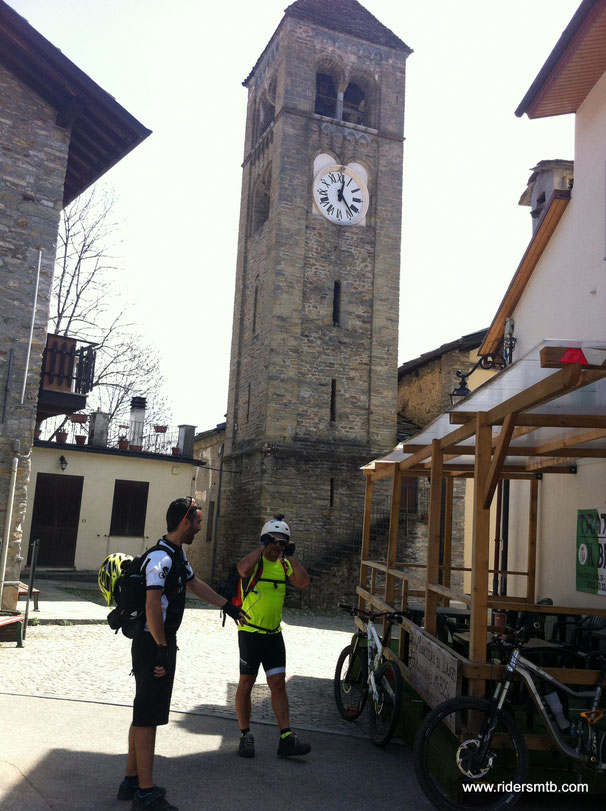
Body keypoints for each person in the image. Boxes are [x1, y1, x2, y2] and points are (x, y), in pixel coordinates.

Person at [119, 496, 247, 811]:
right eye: (198, 522)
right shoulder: (161, 559)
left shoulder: (176, 555)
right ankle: (145, 794)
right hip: (154, 643)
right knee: (148, 717)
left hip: (158, 642)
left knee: (143, 710)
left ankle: (131, 781)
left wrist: (227, 606)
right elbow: (152, 607)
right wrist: (162, 649)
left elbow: (195, 584)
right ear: (185, 522)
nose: (201, 528)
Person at [234, 514, 311, 759]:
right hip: (250, 633)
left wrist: (290, 556)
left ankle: (286, 738)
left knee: (277, 684)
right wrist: (260, 546)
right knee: (246, 683)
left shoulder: (285, 565)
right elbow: (242, 569)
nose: (278, 546)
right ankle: (245, 734)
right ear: (266, 540)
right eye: (274, 541)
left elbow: (304, 583)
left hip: (273, 635)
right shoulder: (256, 563)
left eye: (283, 542)